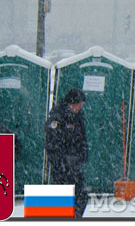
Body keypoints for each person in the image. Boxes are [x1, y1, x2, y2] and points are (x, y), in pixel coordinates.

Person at [44, 88, 90, 217]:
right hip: (62, 166)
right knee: (64, 199)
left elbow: (81, 138)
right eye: (79, 104)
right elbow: (52, 143)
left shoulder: (78, 117)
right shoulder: (58, 117)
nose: (80, 107)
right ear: (71, 103)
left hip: (75, 164)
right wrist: (60, 161)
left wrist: (83, 153)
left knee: (81, 196)